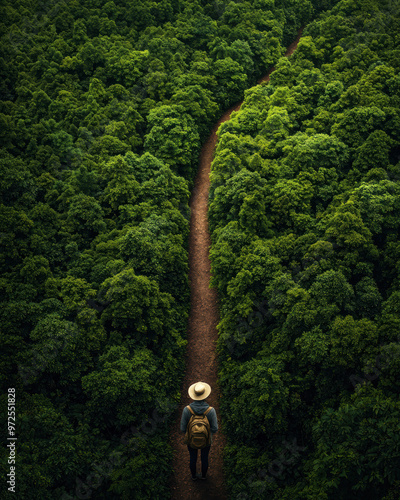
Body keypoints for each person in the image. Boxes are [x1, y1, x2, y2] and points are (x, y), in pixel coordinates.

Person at [180, 381, 218, 480]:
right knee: (204, 458)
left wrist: (191, 433)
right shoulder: (211, 410)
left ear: (193, 395)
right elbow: (215, 428)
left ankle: (193, 476)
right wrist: (206, 433)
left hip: (191, 439)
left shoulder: (187, 410)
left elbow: (182, 428)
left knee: (193, 458)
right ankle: (204, 476)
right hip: (206, 440)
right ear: (205, 395)